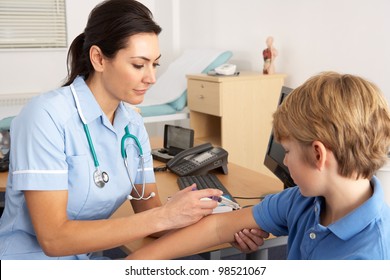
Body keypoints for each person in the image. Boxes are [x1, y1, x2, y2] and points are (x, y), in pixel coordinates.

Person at [0, 0, 264, 260]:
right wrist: (164, 216)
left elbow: (151, 214)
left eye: (155, 64)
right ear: (99, 58)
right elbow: (54, 239)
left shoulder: (132, 125)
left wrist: (225, 223)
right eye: (139, 65)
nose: (151, 78)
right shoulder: (46, 117)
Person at [127, 71, 390, 260]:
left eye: (287, 151)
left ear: (319, 155)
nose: (285, 160)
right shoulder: (301, 201)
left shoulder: (369, 256)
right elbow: (218, 227)